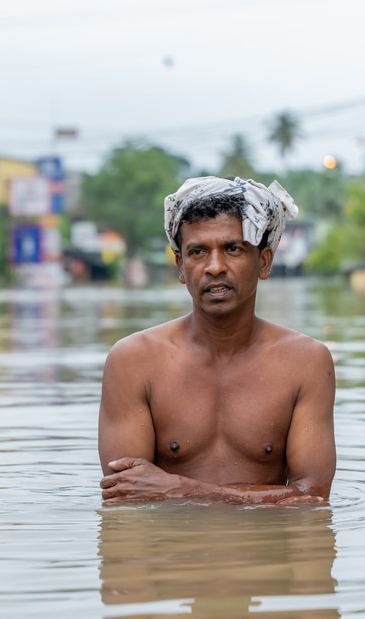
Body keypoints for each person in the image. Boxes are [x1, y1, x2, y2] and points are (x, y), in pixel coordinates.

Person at [98, 176, 336, 505]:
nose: (214, 267)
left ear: (263, 261)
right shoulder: (134, 361)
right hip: (172, 554)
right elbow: (125, 499)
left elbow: (312, 498)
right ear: (181, 266)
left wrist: (186, 491)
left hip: (263, 554)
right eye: (197, 252)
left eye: (232, 249)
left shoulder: (305, 363)